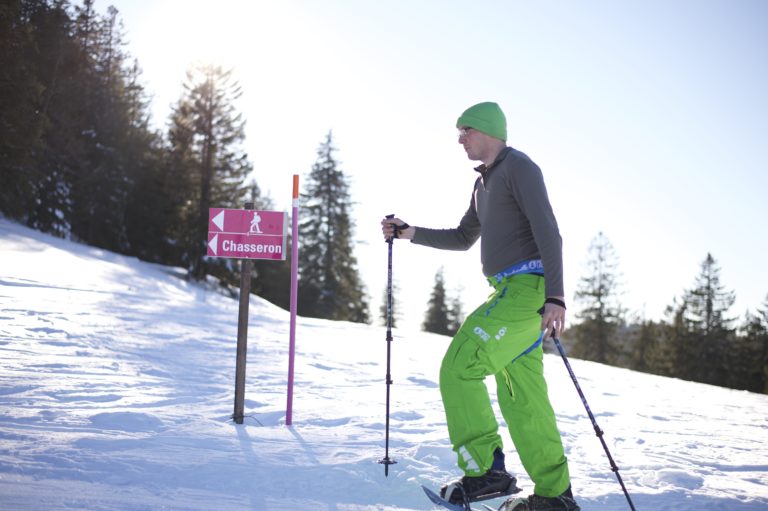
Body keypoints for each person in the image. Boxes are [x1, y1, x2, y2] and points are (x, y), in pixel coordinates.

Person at [381, 102, 580, 511]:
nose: (459, 139)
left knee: (460, 368)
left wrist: (555, 296)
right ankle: (554, 495)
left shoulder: (518, 167)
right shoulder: (482, 184)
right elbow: (461, 237)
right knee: (523, 398)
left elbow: (549, 232)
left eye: (465, 130)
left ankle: (488, 473)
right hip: (510, 292)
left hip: (527, 291)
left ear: (488, 129)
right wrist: (409, 232)